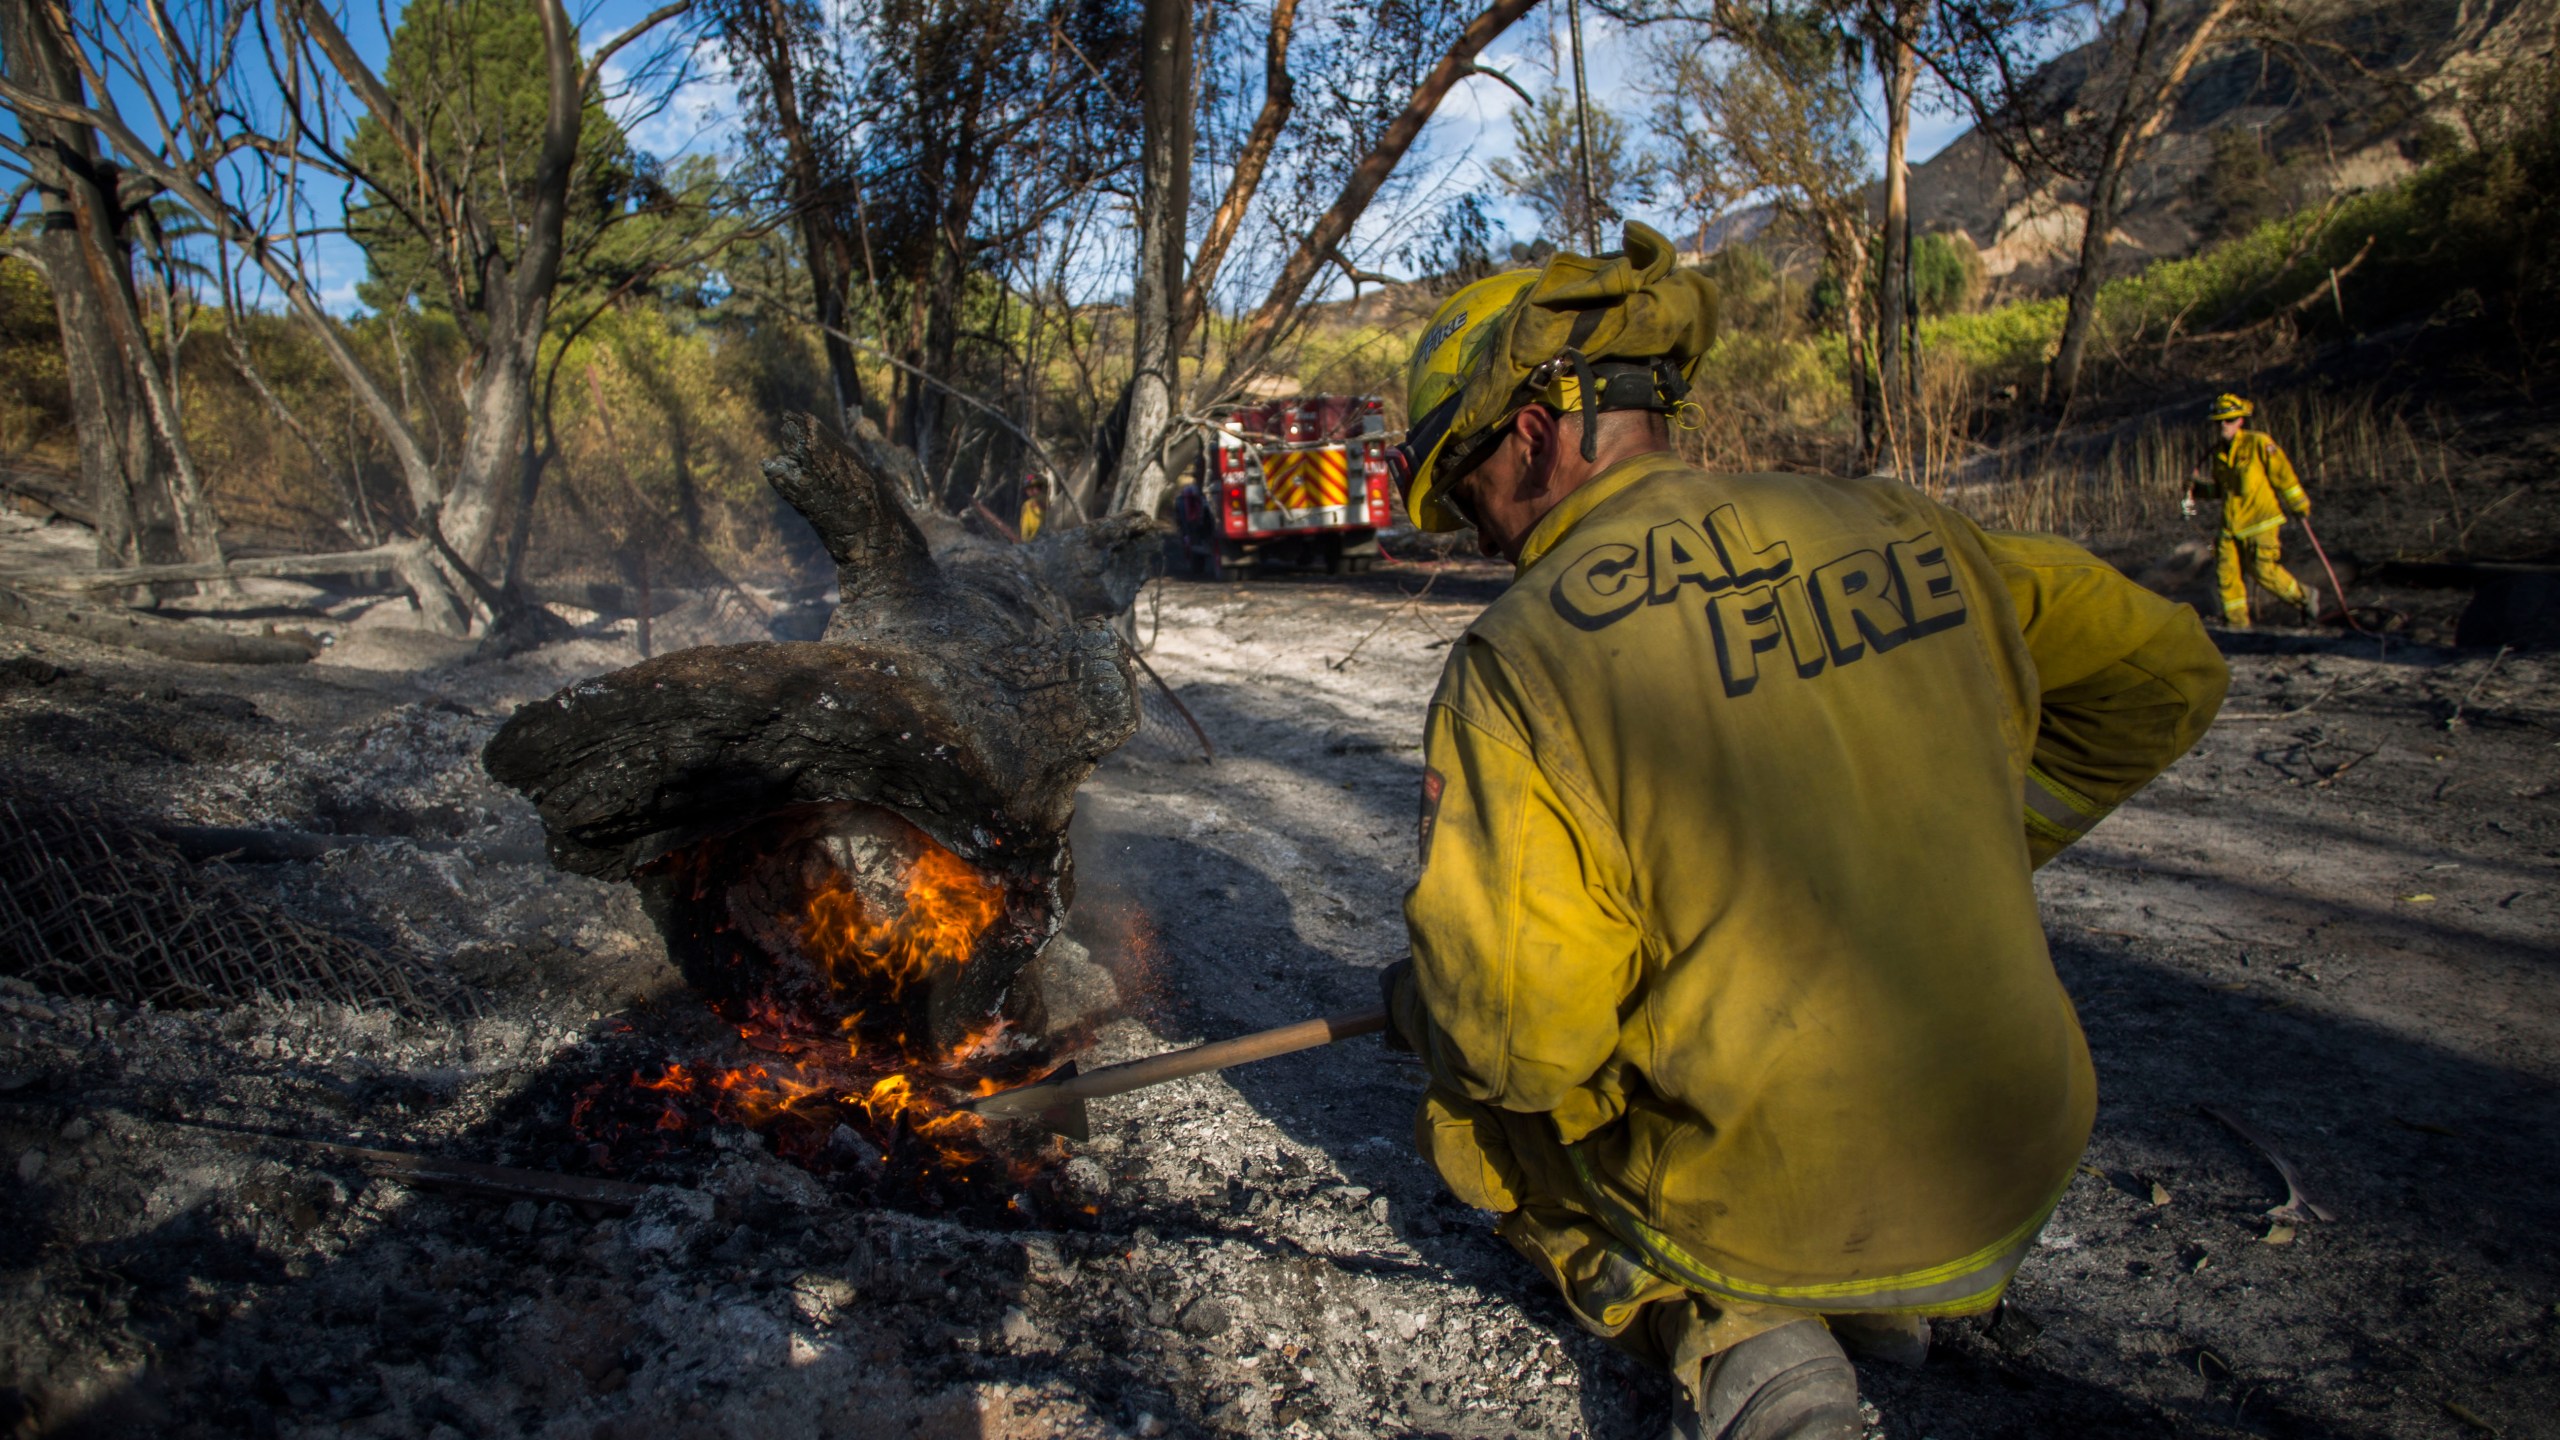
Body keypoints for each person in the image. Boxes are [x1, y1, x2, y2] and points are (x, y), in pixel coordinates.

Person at [1376, 224, 2230, 1440]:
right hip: (2009, 1161)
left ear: (1532, 432)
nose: (1475, 533)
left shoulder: (1524, 661)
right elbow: (2168, 671)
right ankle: (1872, 1284)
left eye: (1465, 486)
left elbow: (1521, 1046)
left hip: (1769, 1203)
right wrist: (1974, 832)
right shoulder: (1899, 523)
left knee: (1480, 1104)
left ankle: (1747, 1339)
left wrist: (1429, 1007)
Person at [2186, 394, 2318, 628]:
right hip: (2231, 526)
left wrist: (2298, 504)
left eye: (2229, 420)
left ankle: (2304, 598)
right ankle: (2237, 626)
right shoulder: (2219, 455)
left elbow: (2283, 475)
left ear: (2240, 421)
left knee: (2262, 571)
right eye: (2219, 422)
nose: (2223, 426)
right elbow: (2223, 489)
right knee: (2227, 577)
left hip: (2261, 521)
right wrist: (2198, 489)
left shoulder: (2258, 444)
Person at [1018, 475, 1047, 542]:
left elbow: (1024, 528)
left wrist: (1024, 541)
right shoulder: (1049, 499)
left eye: (1035, 487)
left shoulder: (1027, 505)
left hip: (1035, 539)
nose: (1029, 491)